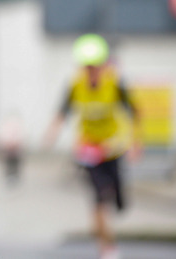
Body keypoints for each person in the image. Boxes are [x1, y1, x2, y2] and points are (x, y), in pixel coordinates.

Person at [43, 34, 140, 259]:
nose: (91, 71)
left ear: (103, 65)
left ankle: (117, 200)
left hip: (113, 149)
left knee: (118, 202)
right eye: (86, 67)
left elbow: (134, 112)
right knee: (98, 201)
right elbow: (62, 112)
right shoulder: (76, 85)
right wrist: (51, 134)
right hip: (89, 152)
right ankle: (106, 248)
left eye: (95, 67)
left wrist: (136, 143)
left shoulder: (115, 83)